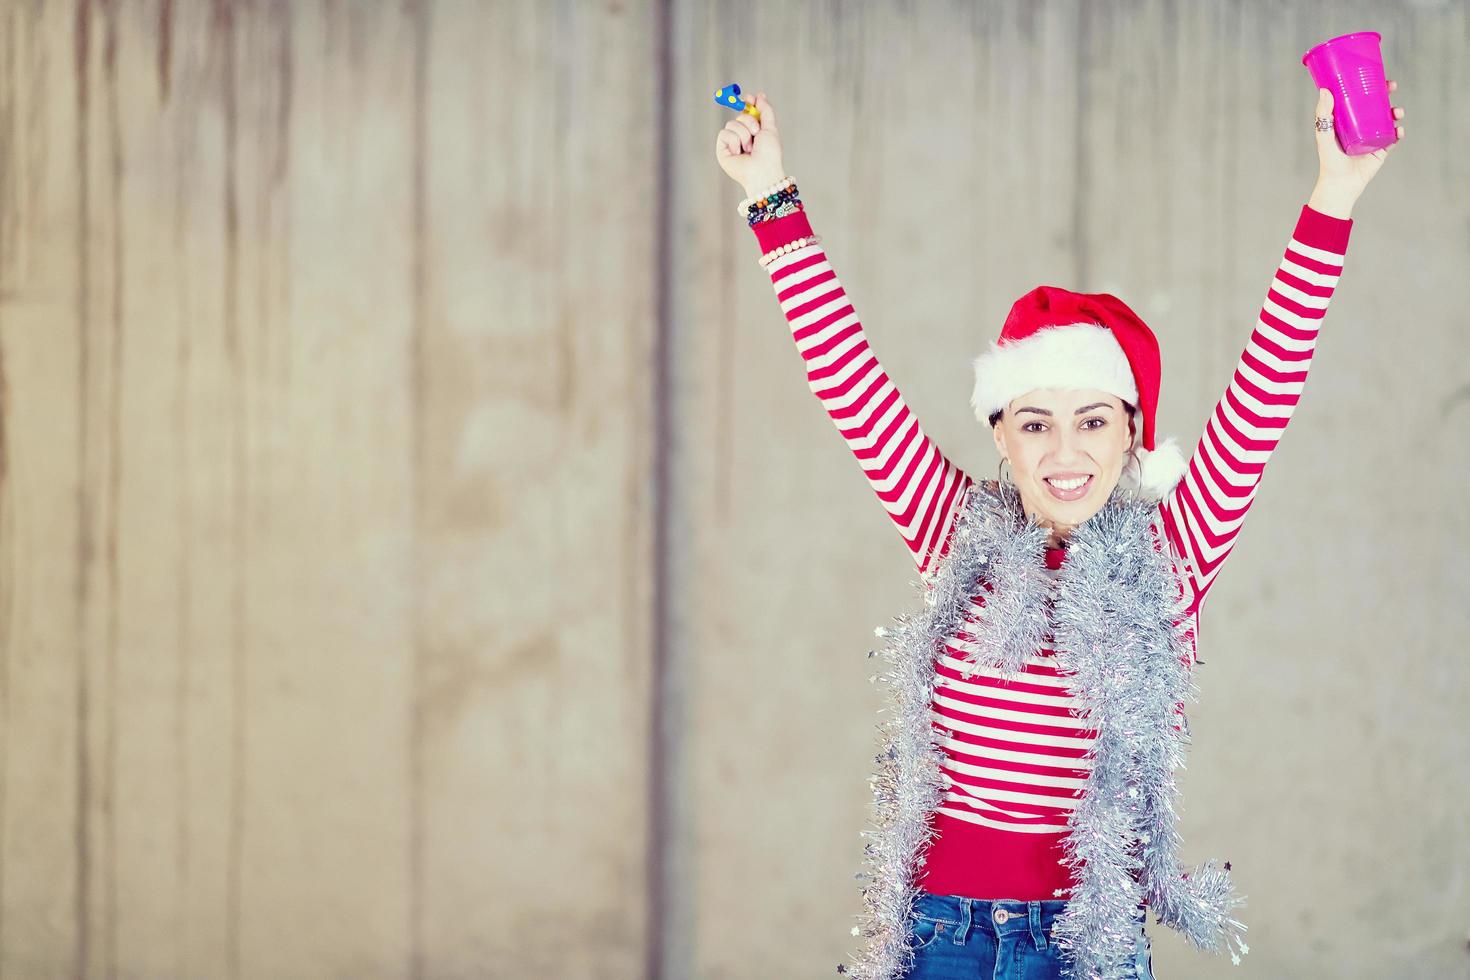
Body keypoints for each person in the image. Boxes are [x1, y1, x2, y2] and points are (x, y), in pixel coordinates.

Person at [715, 84, 1403, 980]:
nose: (1065, 451)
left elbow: (1267, 382)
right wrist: (769, 192)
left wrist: (1334, 196)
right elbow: (848, 376)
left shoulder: (1173, 553)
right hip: (939, 937)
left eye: (1092, 420)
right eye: (1034, 423)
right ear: (1000, 434)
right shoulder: (951, 528)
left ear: (1132, 433)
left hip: (1088, 945)